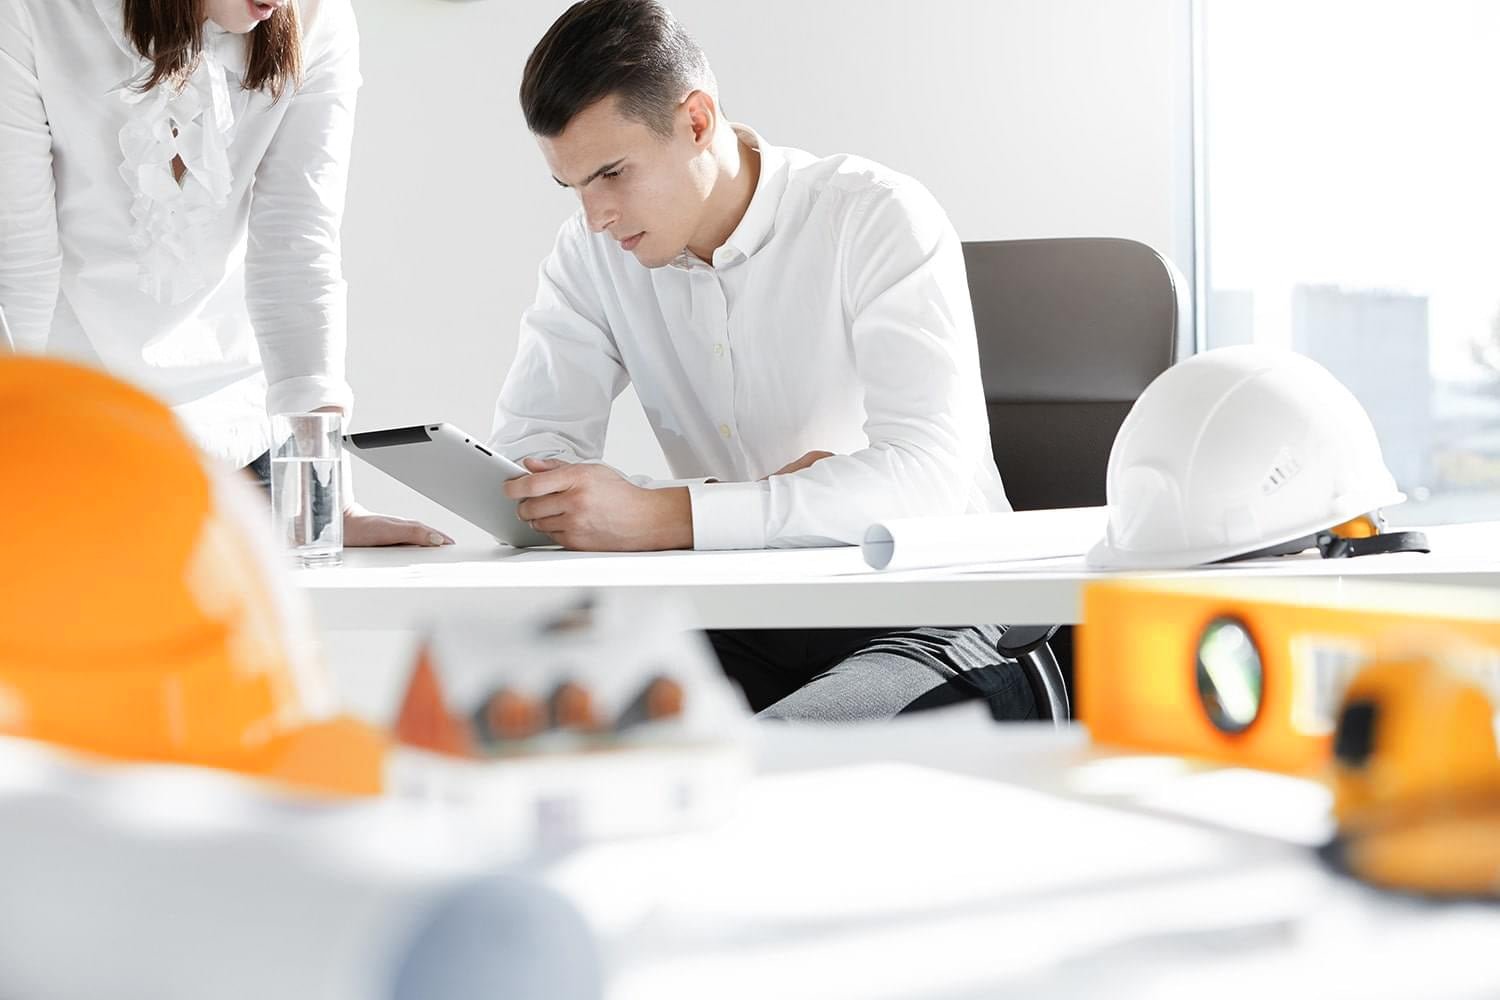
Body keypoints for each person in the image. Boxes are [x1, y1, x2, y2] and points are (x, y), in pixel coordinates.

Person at [494, 0, 1035, 721]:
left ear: (696, 121)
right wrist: (739, 500)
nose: (596, 218)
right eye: (575, 188)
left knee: (771, 754)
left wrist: (666, 515)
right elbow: (532, 458)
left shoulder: (875, 215)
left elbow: (925, 480)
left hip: (937, 613)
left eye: (613, 174)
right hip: (746, 612)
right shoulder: (590, 256)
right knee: (530, 727)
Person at [0, 0, 448, 546]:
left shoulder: (318, 18)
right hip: (72, 429)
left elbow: (297, 251)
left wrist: (327, 497)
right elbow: (19, 260)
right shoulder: (31, 13)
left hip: (243, 446)